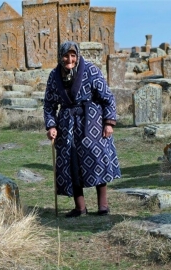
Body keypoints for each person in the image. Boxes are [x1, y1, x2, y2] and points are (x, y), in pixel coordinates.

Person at [43, 41, 121, 218]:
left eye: (72, 56)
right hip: (66, 125)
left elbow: (107, 97)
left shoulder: (91, 71)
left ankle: (103, 205)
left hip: (91, 122)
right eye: (65, 55)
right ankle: (80, 208)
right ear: (60, 56)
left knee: (96, 158)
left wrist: (108, 123)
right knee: (71, 163)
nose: (69, 59)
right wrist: (52, 125)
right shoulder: (54, 76)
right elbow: (49, 103)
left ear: (77, 56)